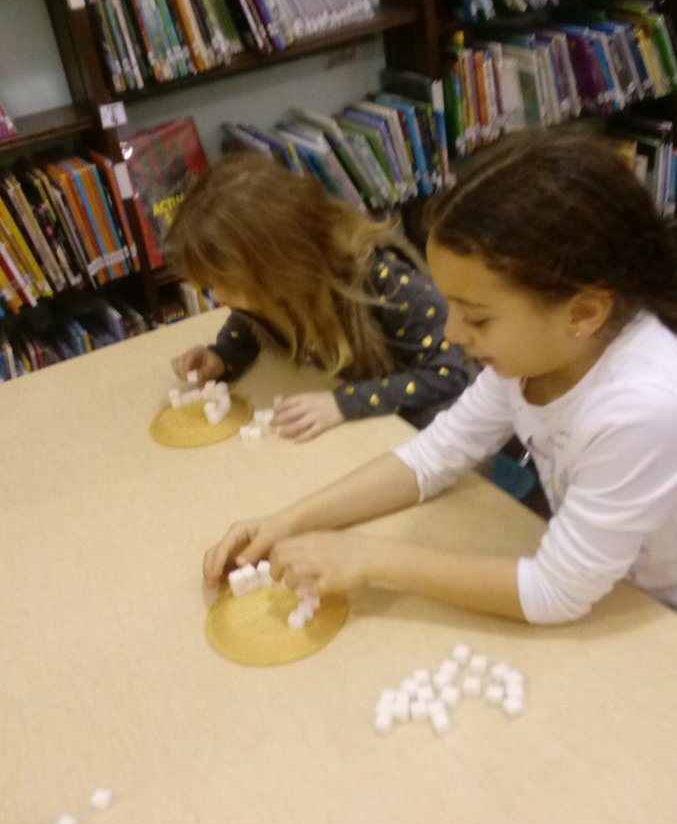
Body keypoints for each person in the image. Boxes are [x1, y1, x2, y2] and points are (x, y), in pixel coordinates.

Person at [202, 131, 677, 625]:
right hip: (610, 576)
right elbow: (433, 456)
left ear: (583, 312)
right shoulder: (533, 357)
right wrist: (286, 521)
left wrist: (370, 558)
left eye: (477, 318)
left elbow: (553, 592)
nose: (451, 332)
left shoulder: (640, 408)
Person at [168, 151, 467, 442]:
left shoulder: (384, 282)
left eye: (230, 287)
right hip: (357, 433)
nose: (219, 298)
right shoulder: (279, 289)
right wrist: (223, 355)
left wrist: (344, 403)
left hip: (424, 436)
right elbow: (250, 321)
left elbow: (450, 372)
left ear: (282, 265)